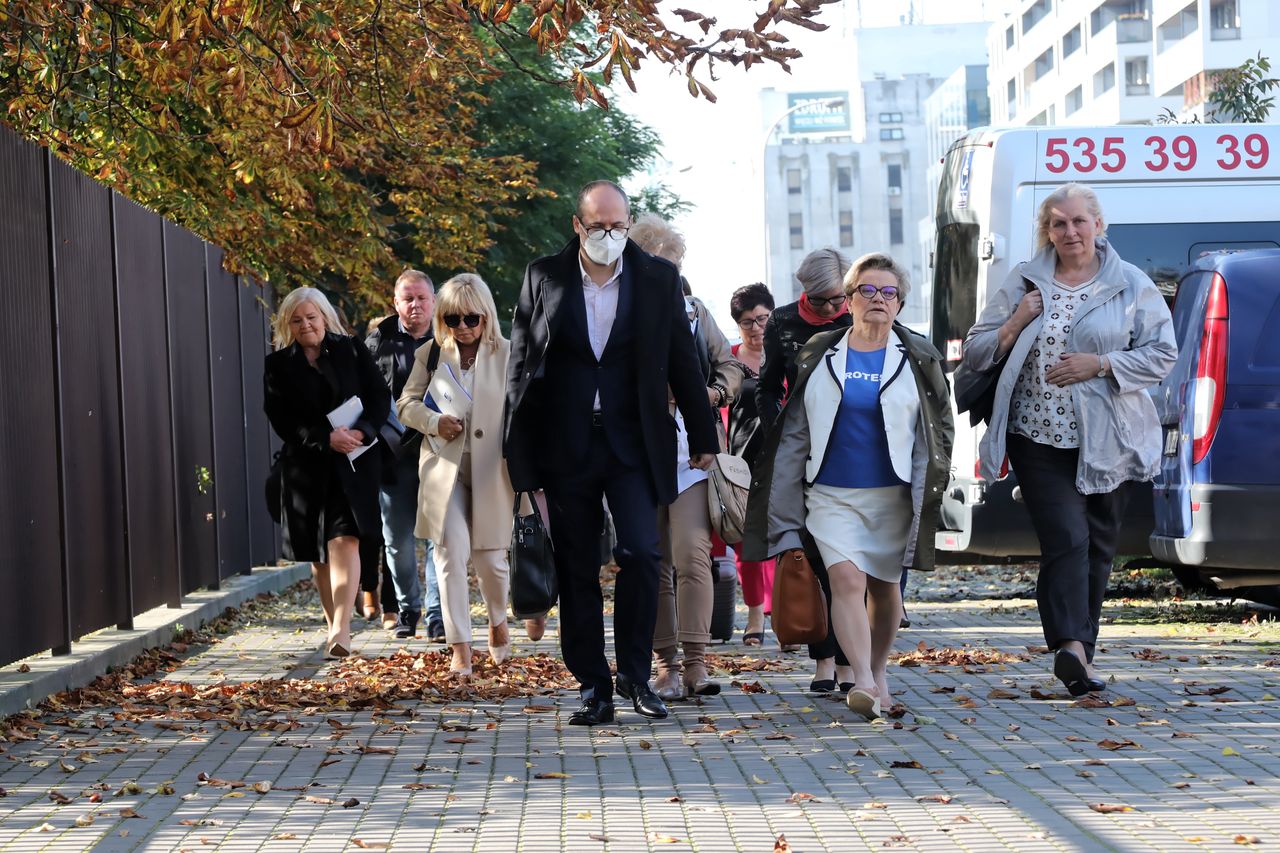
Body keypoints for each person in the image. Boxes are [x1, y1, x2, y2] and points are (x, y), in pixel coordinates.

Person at [504, 180, 719, 726]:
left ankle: (635, 676)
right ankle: (593, 686)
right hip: (567, 442)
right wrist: (519, 454)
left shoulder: (656, 278)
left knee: (643, 555)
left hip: (635, 442)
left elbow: (683, 362)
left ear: (629, 225)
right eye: (597, 226)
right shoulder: (544, 276)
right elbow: (522, 367)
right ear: (577, 225)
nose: (608, 235)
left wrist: (702, 437)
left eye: (617, 226)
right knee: (577, 565)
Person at [962, 183, 1175, 696]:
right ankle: (1070, 646)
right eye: (1059, 223)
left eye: (1079, 221)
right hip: (1035, 435)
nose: (1070, 231)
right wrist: (1018, 320)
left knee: (1100, 545)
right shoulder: (1027, 280)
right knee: (1066, 538)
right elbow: (975, 349)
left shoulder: (1130, 283)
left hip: (1109, 438)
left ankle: (1080, 653)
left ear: (1099, 226)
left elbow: (1163, 353)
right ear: (1048, 231)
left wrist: (1100, 364)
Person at [745, 252, 953, 720]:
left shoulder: (918, 356)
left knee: (884, 588)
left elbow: (937, 430)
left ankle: (879, 672)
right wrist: (783, 490)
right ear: (849, 298)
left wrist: (931, 487)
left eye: (888, 292)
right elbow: (795, 427)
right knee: (845, 579)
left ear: (899, 302)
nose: (878, 299)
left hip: (892, 494)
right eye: (867, 291)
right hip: (831, 492)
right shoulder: (820, 351)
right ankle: (859, 677)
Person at [628, 213, 743, 701]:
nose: (669, 275)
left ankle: (696, 663)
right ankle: (664, 666)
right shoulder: (619, 311)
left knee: (693, 555)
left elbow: (730, 364)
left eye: (674, 266)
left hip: (690, 452)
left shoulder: (694, 310)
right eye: (662, 265)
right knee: (652, 562)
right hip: (635, 450)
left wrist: (712, 395)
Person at [398, 274, 515, 676]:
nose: (462, 327)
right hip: (443, 469)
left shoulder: (508, 354)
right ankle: (459, 649)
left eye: (471, 318)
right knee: (449, 554)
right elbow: (405, 404)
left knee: (491, 562)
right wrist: (433, 421)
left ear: (486, 317)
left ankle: (498, 621)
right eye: (452, 319)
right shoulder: (431, 353)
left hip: (492, 470)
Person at [264, 287, 390, 658]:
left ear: (324, 317)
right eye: (297, 320)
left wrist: (361, 431)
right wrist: (324, 437)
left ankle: (342, 627)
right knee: (319, 554)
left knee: (345, 538)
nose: (306, 325)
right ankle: (334, 621)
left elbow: (380, 398)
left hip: (354, 461)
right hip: (306, 468)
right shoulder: (278, 364)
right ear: (288, 324)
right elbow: (281, 418)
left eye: (312, 317)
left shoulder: (351, 349)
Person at [755, 248, 856, 691]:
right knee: (811, 555)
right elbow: (767, 383)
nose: (833, 309)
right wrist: (777, 421)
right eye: (822, 302)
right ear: (804, 293)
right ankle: (824, 660)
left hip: (852, 447)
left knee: (846, 558)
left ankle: (851, 662)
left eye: (838, 300)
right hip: (800, 449)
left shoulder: (859, 316)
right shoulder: (782, 321)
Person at [365, 270, 446, 642]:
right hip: (393, 456)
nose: (415, 305)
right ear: (395, 303)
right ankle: (407, 609)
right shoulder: (376, 342)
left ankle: (437, 614)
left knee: (438, 537)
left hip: (440, 452)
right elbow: (362, 399)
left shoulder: (450, 335)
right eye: (407, 298)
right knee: (397, 538)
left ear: (433, 300)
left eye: (422, 298)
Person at [726, 283, 775, 646]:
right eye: (748, 322)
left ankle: (787, 613)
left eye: (762, 319)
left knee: (786, 541)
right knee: (746, 545)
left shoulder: (787, 355)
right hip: (740, 464)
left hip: (784, 460)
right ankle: (755, 613)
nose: (756, 328)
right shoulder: (727, 360)